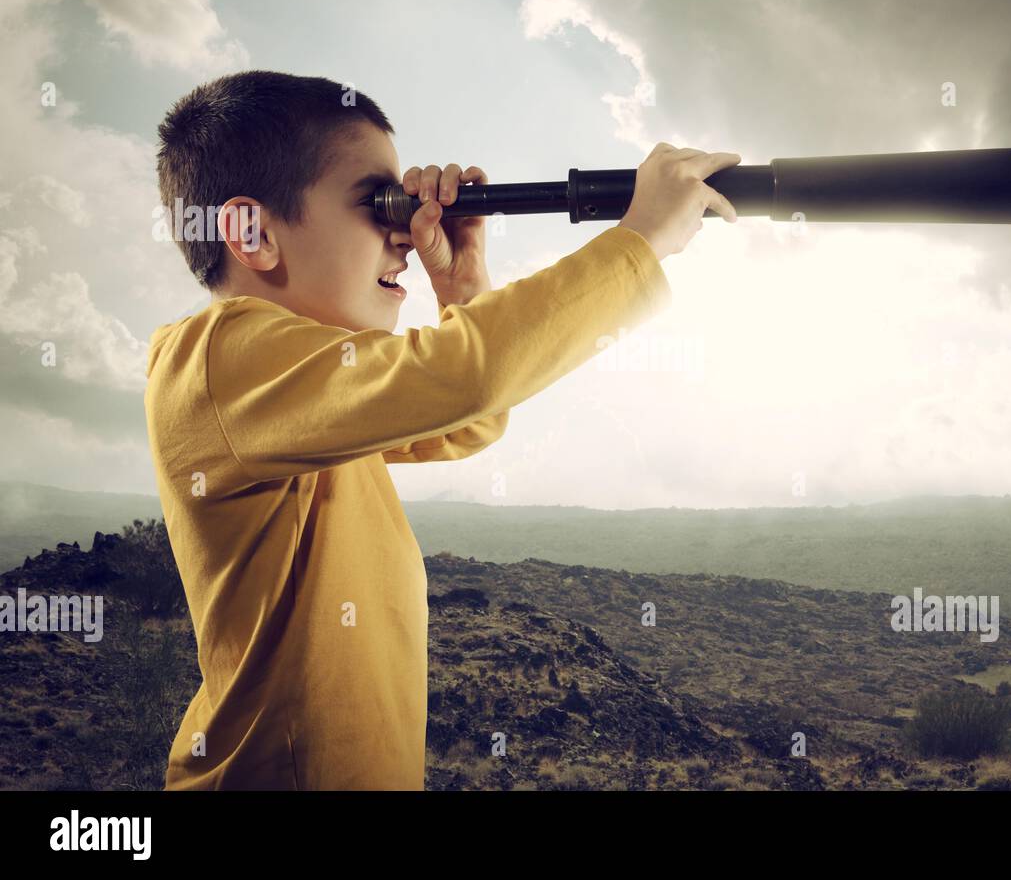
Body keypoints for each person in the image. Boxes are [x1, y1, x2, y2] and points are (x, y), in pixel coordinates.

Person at [145, 69, 738, 789]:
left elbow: (464, 420)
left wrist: (462, 287)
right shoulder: (217, 358)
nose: (403, 232)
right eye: (376, 204)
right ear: (251, 231)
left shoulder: (305, 384)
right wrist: (640, 240)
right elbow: (463, 375)